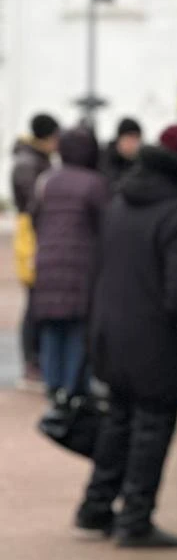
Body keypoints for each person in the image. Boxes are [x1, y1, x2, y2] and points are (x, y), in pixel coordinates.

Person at [76, 125, 177, 548]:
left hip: (113, 332)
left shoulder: (120, 200)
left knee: (118, 423)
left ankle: (96, 508)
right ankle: (135, 518)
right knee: (151, 428)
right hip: (159, 342)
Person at [32, 126, 108, 397]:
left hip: (47, 262)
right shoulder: (95, 183)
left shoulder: (46, 181)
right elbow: (104, 225)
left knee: (51, 325)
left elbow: (35, 218)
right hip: (82, 265)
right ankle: (75, 386)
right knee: (78, 326)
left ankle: (52, 383)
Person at [10, 114, 60, 387]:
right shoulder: (30, 164)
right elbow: (35, 203)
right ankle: (32, 363)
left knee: (37, 298)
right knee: (34, 298)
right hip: (32, 234)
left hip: (33, 232)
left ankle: (35, 361)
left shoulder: (32, 160)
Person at [101, 117, 142, 187]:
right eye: (129, 138)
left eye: (136, 138)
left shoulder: (140, 164)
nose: (133, 143)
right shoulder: (105, 158)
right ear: (119, 138)